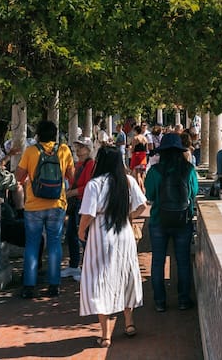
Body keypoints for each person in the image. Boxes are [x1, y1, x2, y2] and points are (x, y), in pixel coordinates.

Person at [78, 147, 146, 347]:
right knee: (125, 275)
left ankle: (106, 334)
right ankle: (129, 323)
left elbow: (88, 214)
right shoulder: (128, 181)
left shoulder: (95, 184)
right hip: (123, 232)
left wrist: (81, 231)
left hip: (101, 233)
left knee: (99, 279)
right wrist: (127, 217)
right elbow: (142, 205)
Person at [15, 120, 75, 299]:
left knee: (32, 244)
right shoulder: (64, 150)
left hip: (33, 205)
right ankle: (54, 285)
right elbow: (71, 176)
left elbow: (19, 177)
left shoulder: (31, 151)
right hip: (57, 204)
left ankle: (29, 286)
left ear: (38, 134)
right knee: (55, 243)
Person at [144, 133, 198, 312]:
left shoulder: (154, 171)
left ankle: (160, 302)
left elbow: (150, 195)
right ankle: (183, 300)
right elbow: (193, 193)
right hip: (183, 220)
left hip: (159, 220)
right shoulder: (189, 169)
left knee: (158, 261)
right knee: (182, 261)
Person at [62, 136, 95, 280]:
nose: (77, 150)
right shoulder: (77, 164)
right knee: (71, 234)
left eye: (81, 147)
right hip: (75, 202)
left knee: (83, 235)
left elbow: (88, 186)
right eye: (77, 147)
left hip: (83, 203)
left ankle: (86, 267)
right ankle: (74, 265)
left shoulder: (90, 164)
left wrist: (71, 193)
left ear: (88, 149)